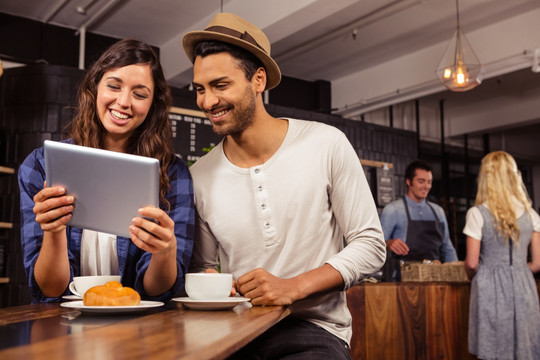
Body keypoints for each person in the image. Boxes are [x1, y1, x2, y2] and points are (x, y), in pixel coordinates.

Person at [182, 12, 386, 359]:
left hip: (315, 332)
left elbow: (370, 246)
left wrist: (292, 287)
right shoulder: (200, 174)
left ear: (258, 79)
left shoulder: (325, 143)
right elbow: (203, 266)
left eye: (220, 85)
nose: (206, 102)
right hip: (237, 330)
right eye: (200, 89)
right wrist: (219, 288)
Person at [18, 39, 195, 303]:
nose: (124, 102)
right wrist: (53, 230)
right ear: (95, 88)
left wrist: (166, 251)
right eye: (114, 86)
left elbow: (158, 290)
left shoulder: (173, 174)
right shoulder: (40, 165)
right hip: (61, 324)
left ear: (152, 105)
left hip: (138, 328)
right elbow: (50, 289)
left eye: (140, 94)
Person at [464, 151, 540, 359]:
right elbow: (538, 263)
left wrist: (480, 274)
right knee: (524, 347)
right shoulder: (531, 214)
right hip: (524, 285)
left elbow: (471, 263)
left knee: (493, 348)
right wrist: (519, 270)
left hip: (489, 287)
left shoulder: (477, 214)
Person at [380, 160, 458, 269]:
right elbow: (376, 245)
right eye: (421, 181)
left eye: (429, 182)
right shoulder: (393, 210)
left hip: (435, 276)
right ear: (408, 181)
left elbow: (447, 248)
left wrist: (455, 271)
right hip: (402, 278)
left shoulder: (438, 211)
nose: (426, 186)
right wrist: (388, 243)